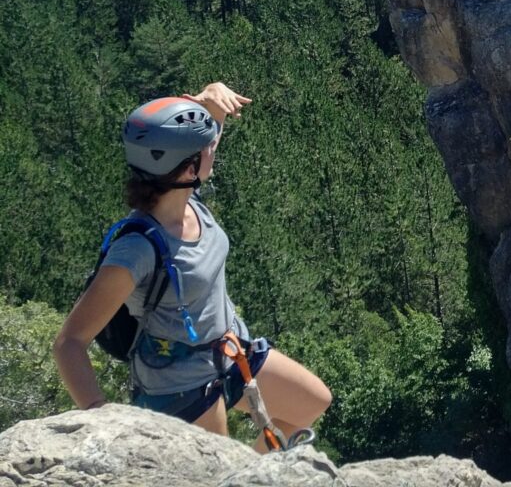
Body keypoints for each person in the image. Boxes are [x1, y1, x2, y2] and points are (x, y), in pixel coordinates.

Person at [53, 84, 331, 449]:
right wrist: (100, 415)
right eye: (207, 147)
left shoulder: (186, 198)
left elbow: (198, 128)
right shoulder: (138, 249)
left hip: (231, 353)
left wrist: (207, 98)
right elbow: (69, 342)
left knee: (312, 403)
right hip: (180, 387)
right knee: (220, 474)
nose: (214, 145)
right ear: (188, 167)